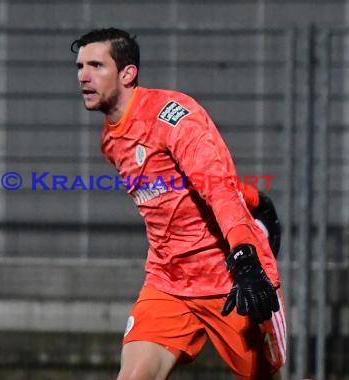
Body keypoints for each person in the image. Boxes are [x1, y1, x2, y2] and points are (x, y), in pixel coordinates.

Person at [71, 28, 285, 380]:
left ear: (128, 73)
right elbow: (178, 185)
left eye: (96, 65)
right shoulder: (111, 140)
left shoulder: (173, 116)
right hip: (168, 282)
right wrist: (256, 200)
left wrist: (246, 257)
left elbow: (216, 186)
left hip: (230, 278)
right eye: (80, 66)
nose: (83, 76)